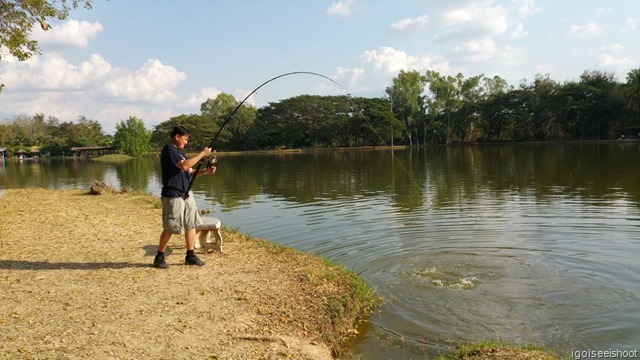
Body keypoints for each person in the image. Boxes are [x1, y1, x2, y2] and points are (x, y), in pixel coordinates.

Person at [154, 125, 216, 269]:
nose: (186, 142)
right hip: (173, 195)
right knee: (170, 226)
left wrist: (206, 171)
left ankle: (190, 255)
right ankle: (159, 256)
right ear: (177, 137)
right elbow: (183, 166)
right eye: (185, 139)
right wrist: (202, 154)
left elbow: (189, 171)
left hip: (186, 194)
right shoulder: (169, 149)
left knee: (191, 223)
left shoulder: (180, 153)